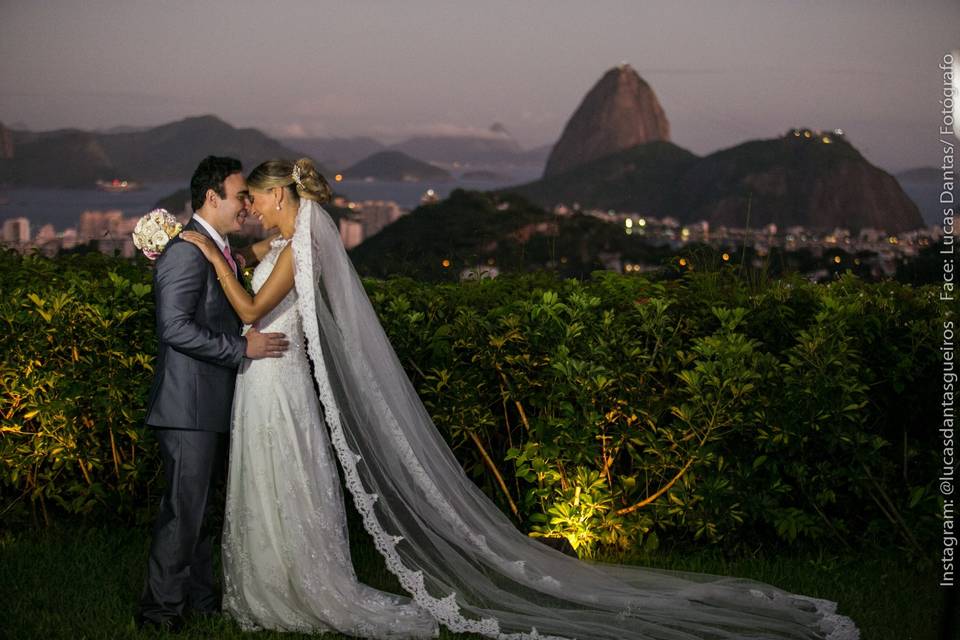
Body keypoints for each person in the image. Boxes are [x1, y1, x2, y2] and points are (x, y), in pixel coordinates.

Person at [181, 157, 860, 640]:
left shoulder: (298, 248)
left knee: (286, 481)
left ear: (277, 195)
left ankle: (299, 592)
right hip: (262, 377)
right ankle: (271, 590)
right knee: (269, 485)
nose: (250, 207)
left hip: (275, 379)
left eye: (256, 198)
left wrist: (207, 254)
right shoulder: (281, 241)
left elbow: (248, 306)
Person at [137, 155, 290, 632]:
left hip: (211, 403)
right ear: (211, 197)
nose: (246, 203)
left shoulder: (218, 247)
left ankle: (200, 601)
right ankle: (159, 613)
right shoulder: (185, 251)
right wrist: (242, 347)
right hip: (188, 406)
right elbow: (175, 329)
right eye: (240, 194)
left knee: (200, 511)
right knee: (183, 514)